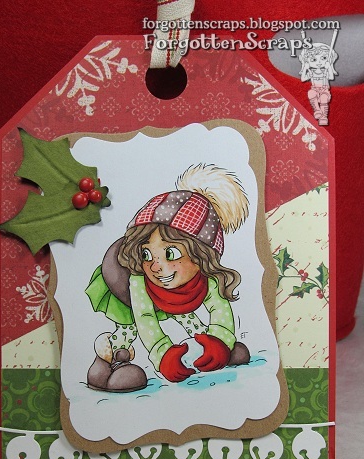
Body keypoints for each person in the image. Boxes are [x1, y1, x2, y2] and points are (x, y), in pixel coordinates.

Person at [85, 163, 251, 393]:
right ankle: (105, 366)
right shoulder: (139, 276)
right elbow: (145, 319)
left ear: (200, 255)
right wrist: (162, 355)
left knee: (190, 319)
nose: (155, 266)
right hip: (125, 293)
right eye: (146, 253)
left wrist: (220, 341)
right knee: (127, 329)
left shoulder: (207, 276)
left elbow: (219, 308)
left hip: (174, 295)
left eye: (170, 254)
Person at [299, 43, 338, 126]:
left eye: (323, 58)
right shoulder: (311, 72)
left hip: (324, 90)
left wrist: (329, 67)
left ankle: (323, 117)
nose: (319, 62)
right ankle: (317, 110)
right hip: (315, 90)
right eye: (313, 59)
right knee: (310, 92)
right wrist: (305, 68)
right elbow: (303, 79)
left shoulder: (325, 71)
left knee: (324, 98)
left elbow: (331, 77)